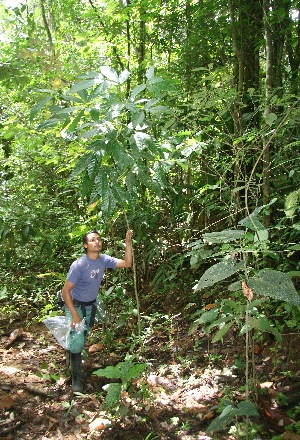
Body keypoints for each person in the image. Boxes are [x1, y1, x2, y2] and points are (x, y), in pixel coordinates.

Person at [62, 229, 133, 393]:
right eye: (93, 240)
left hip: (90, 306)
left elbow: (127, 263)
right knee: (78, 342)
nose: (97, 242)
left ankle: (70, 352)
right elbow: (66, 292)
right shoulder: (79, 265)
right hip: (75, 305)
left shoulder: (103, 260)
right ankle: (76, 379)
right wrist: (74, 315)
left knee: (82, 337)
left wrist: (128, 242)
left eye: (99, 239)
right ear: (86, 245)